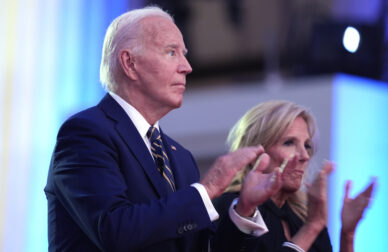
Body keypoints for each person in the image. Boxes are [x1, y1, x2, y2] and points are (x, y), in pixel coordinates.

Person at [44, 6, 268, 252]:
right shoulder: (86, 133)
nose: (187, 67)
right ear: (130, 63)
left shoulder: (181, 157)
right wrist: (208, 189)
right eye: (172, 52)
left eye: (184, 54)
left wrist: (243, 209)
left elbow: (198, 245)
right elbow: (114, 230)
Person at [211, 100, 376, 252]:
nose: (304, 156)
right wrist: (312, 227)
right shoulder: (232, 210)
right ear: (255, 152)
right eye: (289, 143)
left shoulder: (303, 216)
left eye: (307, 145)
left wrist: (347, 235)